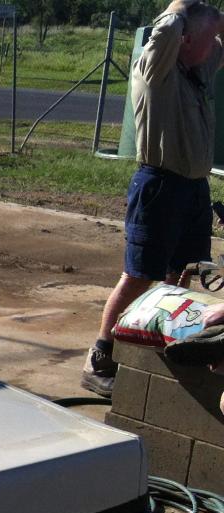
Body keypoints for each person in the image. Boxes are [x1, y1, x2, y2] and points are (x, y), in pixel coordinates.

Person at [83, 0, 224, 397]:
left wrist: (216, 23)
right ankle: (100, 356)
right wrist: (181, 10)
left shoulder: (196, 69)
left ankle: (162, 350)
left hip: (194, 190)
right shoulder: (155, 69)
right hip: (160, 185)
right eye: (209, 37)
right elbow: (166, 29)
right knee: (139, 274)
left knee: (182, 272)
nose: (215, 45)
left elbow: (218, 40)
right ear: (185, 38)